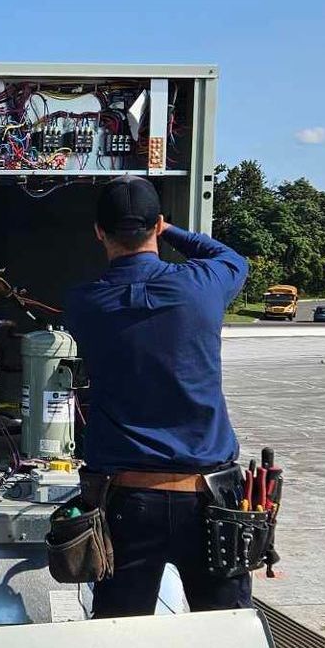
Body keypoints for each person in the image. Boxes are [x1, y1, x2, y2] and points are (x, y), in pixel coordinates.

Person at [62, 176, 252, 619]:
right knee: (226, 638)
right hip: (210, 500)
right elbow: (229, 257)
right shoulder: (203, 285)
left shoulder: (83, 303)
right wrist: (170, 231)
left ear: (98, 232)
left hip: (127, 503)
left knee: (119, 643)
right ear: (158, 225)